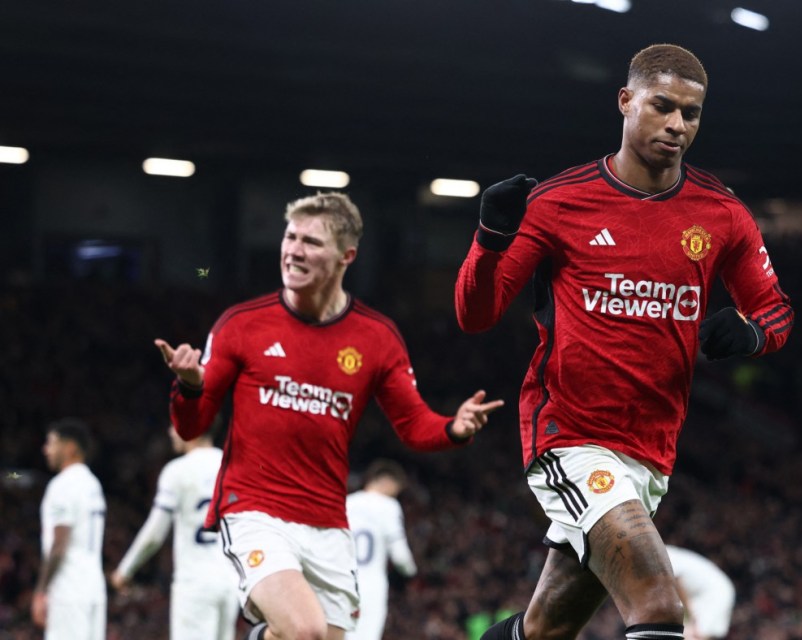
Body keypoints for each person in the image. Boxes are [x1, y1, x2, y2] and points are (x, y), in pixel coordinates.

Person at [455, 43, 794, 640]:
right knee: (659, 605)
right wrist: (490, 238)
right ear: (626, 101)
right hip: (571, 438)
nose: (677, 126)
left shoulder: (720, 213)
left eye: (691, 114)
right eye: (662, 106)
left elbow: (776, 312)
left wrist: (750, 334)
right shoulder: (560, 202)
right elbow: (475, 315)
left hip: (651, 452)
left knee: (543, 630)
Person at [154, 191, 504, 640]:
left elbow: (414, 426)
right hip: (255, 510)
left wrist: (453, 428)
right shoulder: (241, 325)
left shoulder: (375, 337)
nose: (294, 250)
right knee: (306, 631)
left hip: (328, 521)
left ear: (346, 256)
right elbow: (191, 426)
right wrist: (189, 385)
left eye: (312, 242)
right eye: (290, 237)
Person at [110, 424, 238, 640]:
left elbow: (155, 532)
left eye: (176, 423)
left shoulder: (177, 470)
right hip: (229, 582)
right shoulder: (231, 466)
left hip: (195, 583)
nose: (170, 431)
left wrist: (125, 570)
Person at [32, 418, 107, 640]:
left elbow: (59, 544)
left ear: (70, 448)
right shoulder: (93, 484)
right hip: (94, 589)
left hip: (68, 590)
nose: (46, 450)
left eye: (51, 443)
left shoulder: (63, 485)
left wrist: (41, 590)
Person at [345, 459, 417, 640]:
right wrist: (411, 573)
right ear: (387, 482)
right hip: (371, 584)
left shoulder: (347, 503)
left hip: (341, 580)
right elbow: (400, 556)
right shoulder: (388, 506)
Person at [664, 545, 735, 640]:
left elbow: (676, 581)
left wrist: (689, 613)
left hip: (714, 591)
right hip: (702, 593)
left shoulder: (658, 553)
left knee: (694, 633)